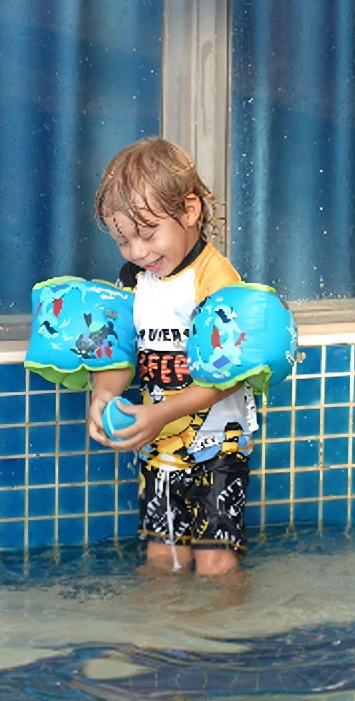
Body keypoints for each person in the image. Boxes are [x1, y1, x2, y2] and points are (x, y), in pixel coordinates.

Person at [88, 137, 258, 577]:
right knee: (162, 556)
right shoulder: (135, 278)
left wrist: (161, 414)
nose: (138, 252)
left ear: (189, 211)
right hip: (160, 441)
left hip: (217, 443)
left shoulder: (215, 279)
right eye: (123, 240)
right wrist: (103, 397)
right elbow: (120, 348)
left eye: (147, 234)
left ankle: (223, 640)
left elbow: (229, 377)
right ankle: (156, 639)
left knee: (214, 561)